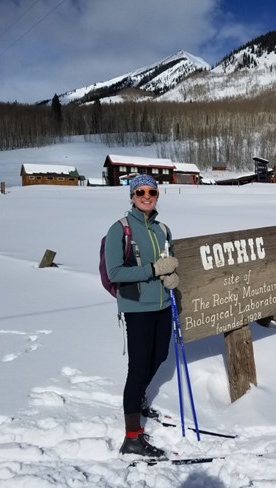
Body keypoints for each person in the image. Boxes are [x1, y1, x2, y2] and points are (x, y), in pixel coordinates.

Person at [104, 174, 180, 457]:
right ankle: (132, 437)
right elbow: (115, 273)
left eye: (152, 191)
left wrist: (171, 277)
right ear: (132, 196)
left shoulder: (162, 229)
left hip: (161, 305)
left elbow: (167, 263)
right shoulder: (119, 230)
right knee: (137, 369)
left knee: (159, 356)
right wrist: (154, 270)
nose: (146, 196)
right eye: (140, 192)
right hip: (137, 307)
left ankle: (139, 399)